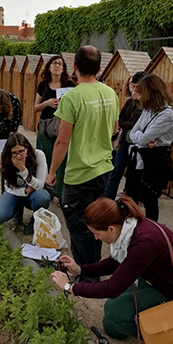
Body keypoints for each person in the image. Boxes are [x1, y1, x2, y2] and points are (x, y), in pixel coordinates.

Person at [51, 196, 173, 342]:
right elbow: (115, 262)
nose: (96, 238)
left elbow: (113, 288)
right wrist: (80, 270)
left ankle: (168, 339)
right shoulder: (127, 227)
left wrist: (70, 287)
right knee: (111, 327)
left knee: (113, 311)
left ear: (110, 229)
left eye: (97, 234)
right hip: (153, 281)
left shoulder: (144, 242)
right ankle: (148, 324)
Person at [46, 46, 119, 274]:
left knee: (79, 226)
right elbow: (114, 131)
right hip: (104, 171)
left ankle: (86, 275)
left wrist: (51, 172)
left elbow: (62, 142)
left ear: (75, 67)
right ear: (99, 68)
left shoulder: (72, 97)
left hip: (78, 176)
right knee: (97, 222)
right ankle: (94, 266)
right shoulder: (111, 94)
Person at [125, 74, 173, 221]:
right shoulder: (148, 110)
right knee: (132, 196)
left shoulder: (167, 114)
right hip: (141, 157)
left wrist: (141, 137)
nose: (138, 95)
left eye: (141, 91)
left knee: (149, 200)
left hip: (155, 162)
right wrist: (141, 138)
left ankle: (151, 233)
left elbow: (143, 138)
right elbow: (133, 132)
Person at [34, 55, 75, 202]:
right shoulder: (43, 85)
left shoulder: (69, 84)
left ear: (63, 68)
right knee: (44, 159)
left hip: (63, 128)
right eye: (54, 63)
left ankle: (60, 194)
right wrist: (47, 103)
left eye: (60, 64)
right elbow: (35, 108)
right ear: (49, 67)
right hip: (46, 129)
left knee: (61, 161)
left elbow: (75, 106)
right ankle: (45, 192)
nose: (57, 66)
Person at [0, 132, 50, 234]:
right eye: (14, 153)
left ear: (27, 148)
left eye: (21, 151)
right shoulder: (8, 160)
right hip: (17, 192)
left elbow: (40, 185)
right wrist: (25, 191)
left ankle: (35, 219)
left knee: (43, 197)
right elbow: (8, 187)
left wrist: (23, 171)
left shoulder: (38, 155)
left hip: (34, 194)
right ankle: (17, 210)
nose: (18, 156)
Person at [106, 71, 147, 200]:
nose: (133, 88)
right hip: (124, 143)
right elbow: (121, 120)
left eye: (136, 86)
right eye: (132, 85)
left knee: (132, 177)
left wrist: (128, 124)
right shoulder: (129, 102)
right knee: (115, 173)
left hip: (137, 146)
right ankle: (108, 200)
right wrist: (128, 124)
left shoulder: (145, 104)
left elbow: (138, 123)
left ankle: (129, 204)